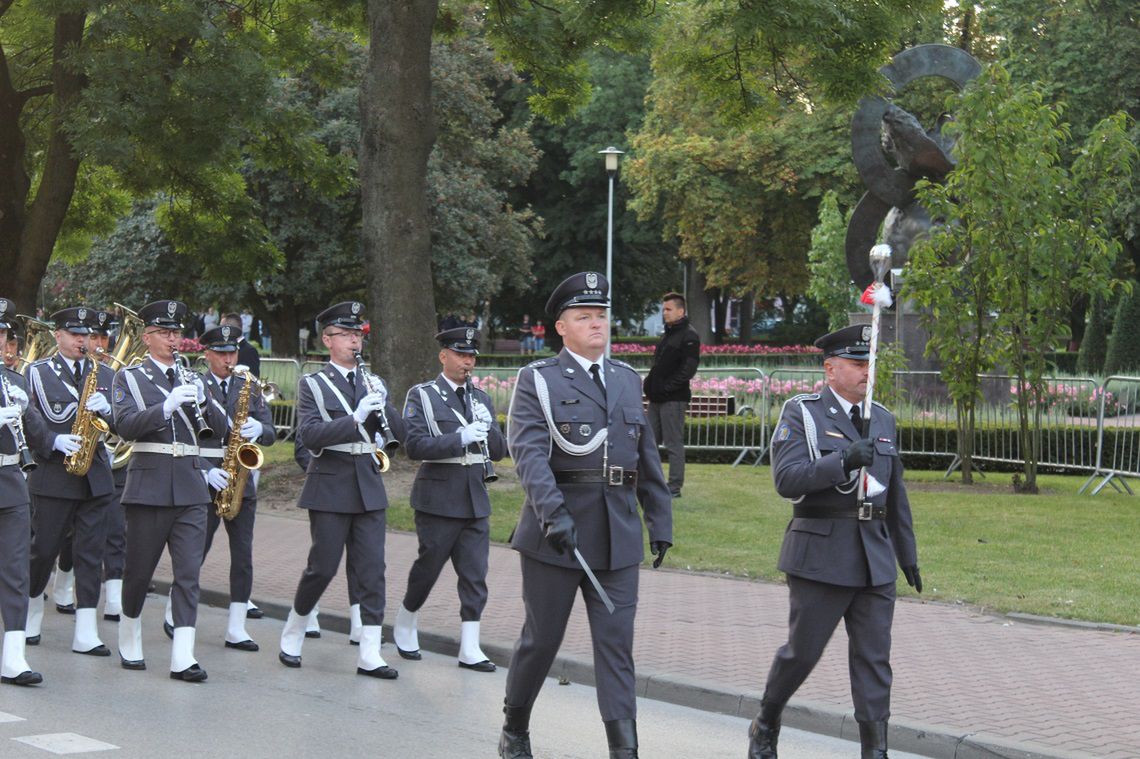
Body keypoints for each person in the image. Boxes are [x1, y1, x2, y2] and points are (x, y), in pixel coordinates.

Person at [498, 272, 673, 759]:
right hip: (557, 534)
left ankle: (624, 749)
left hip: (617, 534)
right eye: (584, 317)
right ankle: (515, 726)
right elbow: (529, 454)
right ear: (562, 326)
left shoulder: (624, 378)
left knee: (616, 648)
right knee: (542, 639)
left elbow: (645, 457)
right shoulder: (539, 379)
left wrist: (659, 521)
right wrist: (554, 516)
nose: (597, 324)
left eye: (601, 316)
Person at [748, 324, 921, 759]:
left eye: (870, 364)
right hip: (822, 553)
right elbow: (787, 481)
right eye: (859, 364)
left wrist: (907, 555)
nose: (868, 373)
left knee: (874, 660)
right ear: (830, 369)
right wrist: (842, 460)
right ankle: (766, 720)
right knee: (802, 653)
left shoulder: (881, 418)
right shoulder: (802, 413)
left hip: (873, 557)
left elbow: (895, 494)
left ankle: (874, 751)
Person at [278, 300, 405, 679]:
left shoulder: (371, 381)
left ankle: (369, 651)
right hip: (330, 482)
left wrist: (384, 402)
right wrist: (355, 417)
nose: (355, 341)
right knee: (323, 566)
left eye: (358, 334)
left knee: (372, 569)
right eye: (346, 335)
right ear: (327, 340)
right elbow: (310, 435)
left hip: (367, 483)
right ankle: (295, 627)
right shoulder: (312, 383)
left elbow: (400, 434)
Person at [111, 299, 230, 683]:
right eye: (164, 332)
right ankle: (129, 631)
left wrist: (205, 398)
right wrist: (165, 406)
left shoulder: (191, 377)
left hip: (191, 486)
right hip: (149, 485)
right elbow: (125, 426)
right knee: (139, 571)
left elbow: (220, 428)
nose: (173, 339)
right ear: (147, 337)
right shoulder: (128, 378)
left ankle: (183, 655)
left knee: (188, 573)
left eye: (177, 333)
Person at [393, 326, 506, 672]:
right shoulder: (423, 395)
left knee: (475, 574)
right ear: (444, 356)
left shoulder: (481, 398)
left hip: (474, 495)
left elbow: (499, 452)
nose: (467, 362)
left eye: (472, 356)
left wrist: (492, 427)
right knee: (429, 566)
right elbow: (414, 446)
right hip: (438, 496)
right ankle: (407, 616)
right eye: (461, 355)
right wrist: (459, 437)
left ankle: (469, 646)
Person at [168, 324, 275, 652]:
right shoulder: (194, 384)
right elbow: (179, 435)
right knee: (194, 552)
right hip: (206, 475)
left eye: (233, 353)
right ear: (207, 354)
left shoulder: (249, 387)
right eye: (222, 353)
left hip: (240, 478)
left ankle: (237, 627)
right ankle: (176, 613)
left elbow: (270, 432)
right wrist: (203, 470)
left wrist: (261, 428)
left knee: (243, 555)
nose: (229, 359)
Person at [23, 307, 117, 657]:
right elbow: (28, 416)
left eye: (87, 334)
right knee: (43, 549)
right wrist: (51, 442)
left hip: (95, 476)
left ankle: (86, 630)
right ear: (57, 335)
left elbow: (123, 424)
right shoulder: (37, 372)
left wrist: (109, 409)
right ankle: (31, 612)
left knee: (90, 555)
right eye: (75, 334)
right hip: (54, 475)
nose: (82, 340)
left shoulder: (105, 373)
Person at [0, 296, 51, 686]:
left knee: (16, 571)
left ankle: (13, 658)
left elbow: (38, 436)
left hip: (11, 484)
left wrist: (27, 410)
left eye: (2, 334)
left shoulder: (14, 379)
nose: (1, 342)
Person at [88, 309, 127, 622]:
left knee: (116, 530)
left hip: (108, 462)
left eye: (103, 337)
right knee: (67, 536)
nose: (99, 343)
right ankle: (62, 580)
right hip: (70, 462)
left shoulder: (114, 376)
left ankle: (114, 597)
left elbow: (124, 423)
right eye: (93, 337)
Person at [643, 292, 700, 498]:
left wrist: (666, 388)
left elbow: (688, 370)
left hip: (673, 399)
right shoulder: (669, 333)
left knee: (673, 443)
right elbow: (659, 365)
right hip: (658, 397)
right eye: (663, 309)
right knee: (649, 441)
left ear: (680, 311)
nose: (664, 313)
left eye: (668, 309)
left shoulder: (689, 335)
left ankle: (674, 486)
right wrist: (652, 386)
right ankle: (650, 481)